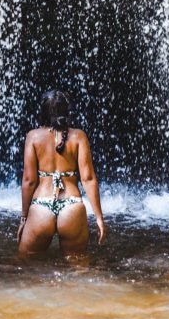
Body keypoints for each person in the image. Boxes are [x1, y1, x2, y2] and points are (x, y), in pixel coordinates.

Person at [17, 89, 107, 256]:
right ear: (67, 111)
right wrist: (99, 218)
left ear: (43, 111)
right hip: (71, 205)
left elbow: (29, 181)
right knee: (77, 267)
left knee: (25, 265)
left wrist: (24, 218)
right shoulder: (79, 136)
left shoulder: (33, 137)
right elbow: (88, 179)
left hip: (41, 207)